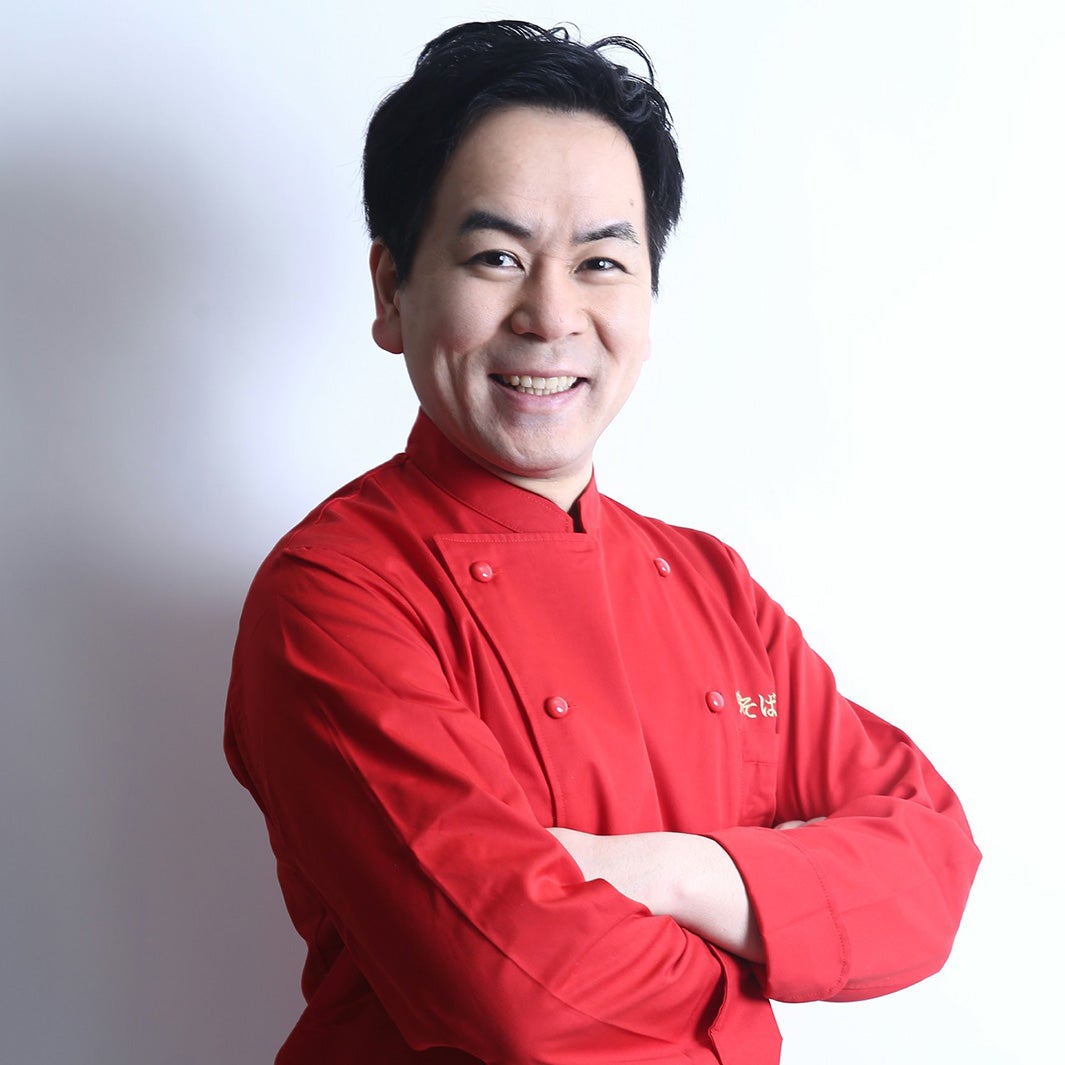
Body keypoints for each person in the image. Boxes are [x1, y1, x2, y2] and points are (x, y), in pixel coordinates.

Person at [224, 20, 980, 1064]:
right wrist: (769, 944)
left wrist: (678, 871)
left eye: (601, 262)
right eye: (496, 257)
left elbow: (931, 862)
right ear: (392, 290)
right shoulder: (334, 593)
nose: (551, 314)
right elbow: (518, 990)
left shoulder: (712, 584)